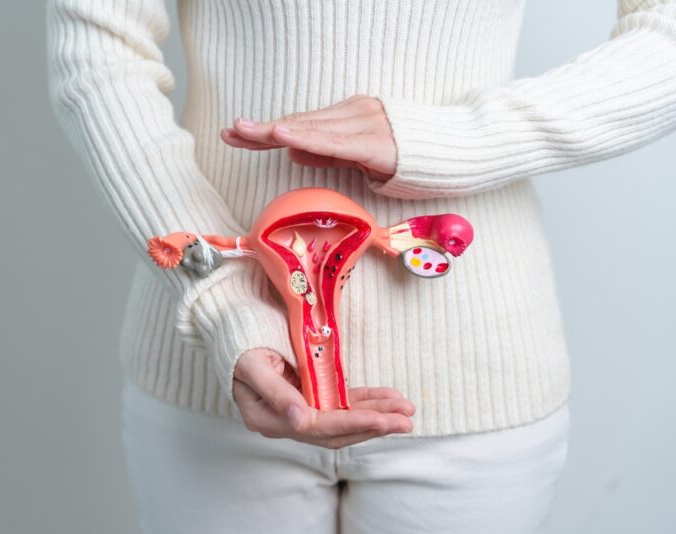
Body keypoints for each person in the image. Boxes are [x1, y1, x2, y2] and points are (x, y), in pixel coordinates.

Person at [46, 0, 676, 532]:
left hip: (474, 376)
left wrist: (440, 140)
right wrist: (225, 307)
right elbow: (99, 53)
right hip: (211, 373)